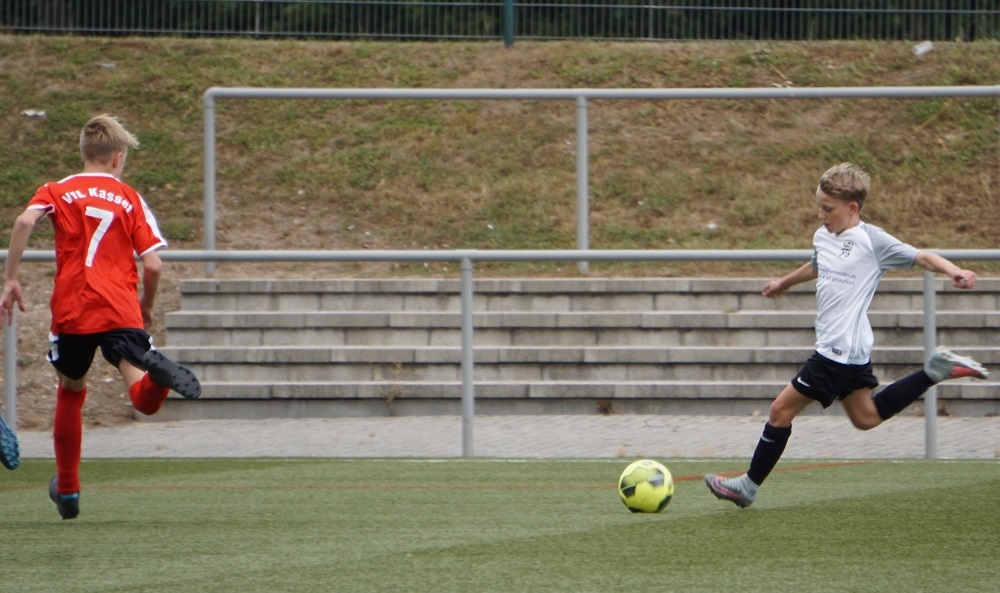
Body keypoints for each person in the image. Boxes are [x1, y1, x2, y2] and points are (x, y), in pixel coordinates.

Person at [704, 162, 989, 508]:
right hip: (850, 349)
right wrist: (783, 283)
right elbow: (816, 265)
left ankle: (748, 486)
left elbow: (922, 257)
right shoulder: (822, 236)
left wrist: (955, 271)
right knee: (866, 418)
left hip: (836, 351)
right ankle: (934, 371)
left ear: (852, 208)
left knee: (780, 410)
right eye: (819, 206)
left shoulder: (873, 240)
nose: (821, 214)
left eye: (828, 208)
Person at [0, 114, 201, 520]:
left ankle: (68, 489)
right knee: (142, 397)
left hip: (73, 308)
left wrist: (12, 278)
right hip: (120, 307)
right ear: (117, 158)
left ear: (85, 152)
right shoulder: (129, 198)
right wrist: (145, 306)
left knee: (71, 389)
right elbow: (154, 265)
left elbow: (23, 221)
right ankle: (158, 379)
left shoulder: (57, 189)